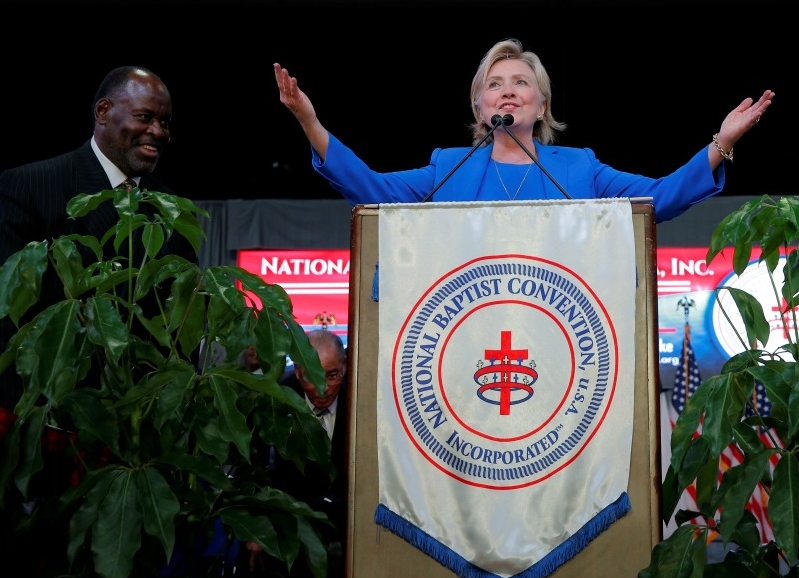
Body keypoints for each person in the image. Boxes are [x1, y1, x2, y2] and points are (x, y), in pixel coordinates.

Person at [273, 38, 774, 224]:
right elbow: (373, 191)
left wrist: (721, 142)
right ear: (480, 104)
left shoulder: (579, 168)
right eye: (494, 85)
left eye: (520, 83)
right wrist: (309, 121)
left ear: (542, 104)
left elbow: (660, 199)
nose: (507, 91)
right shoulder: (448, 167)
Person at [0, 65, 196, 410]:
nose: (157, 131)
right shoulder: (30, 186)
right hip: (52, 417)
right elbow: (9, 317)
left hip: (143, 426)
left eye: (164, 122)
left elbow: (183, 328)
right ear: (103, 112)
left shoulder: (177, 211)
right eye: (144, 116)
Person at [236, 328, 349, 578]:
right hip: (290, 516)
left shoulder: (361, 400)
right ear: (298, 372)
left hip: (347, 516)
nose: (323, 388)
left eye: (332, 375)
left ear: (344, 368)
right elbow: (254, 471)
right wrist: (256, 527)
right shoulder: (274, 401)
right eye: (313, 377)